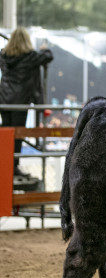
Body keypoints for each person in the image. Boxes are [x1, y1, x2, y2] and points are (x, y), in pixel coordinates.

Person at [0, 27, 53, 181]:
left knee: (6, 132)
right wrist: (45, 49)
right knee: (17, 135)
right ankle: (14, 166)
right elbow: (48, 57)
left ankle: (5, 164)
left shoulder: (4, 55)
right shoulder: (30, 57)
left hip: (4, 100)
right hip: (20, 101)